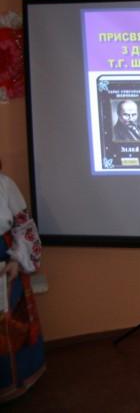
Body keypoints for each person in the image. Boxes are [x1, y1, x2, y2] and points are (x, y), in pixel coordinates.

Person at [0, 168, 45, 402]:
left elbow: (23, 225)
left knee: (10, 325)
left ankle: (13, 382)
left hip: (6, 265)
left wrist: (16, 259)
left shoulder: (4, 184)